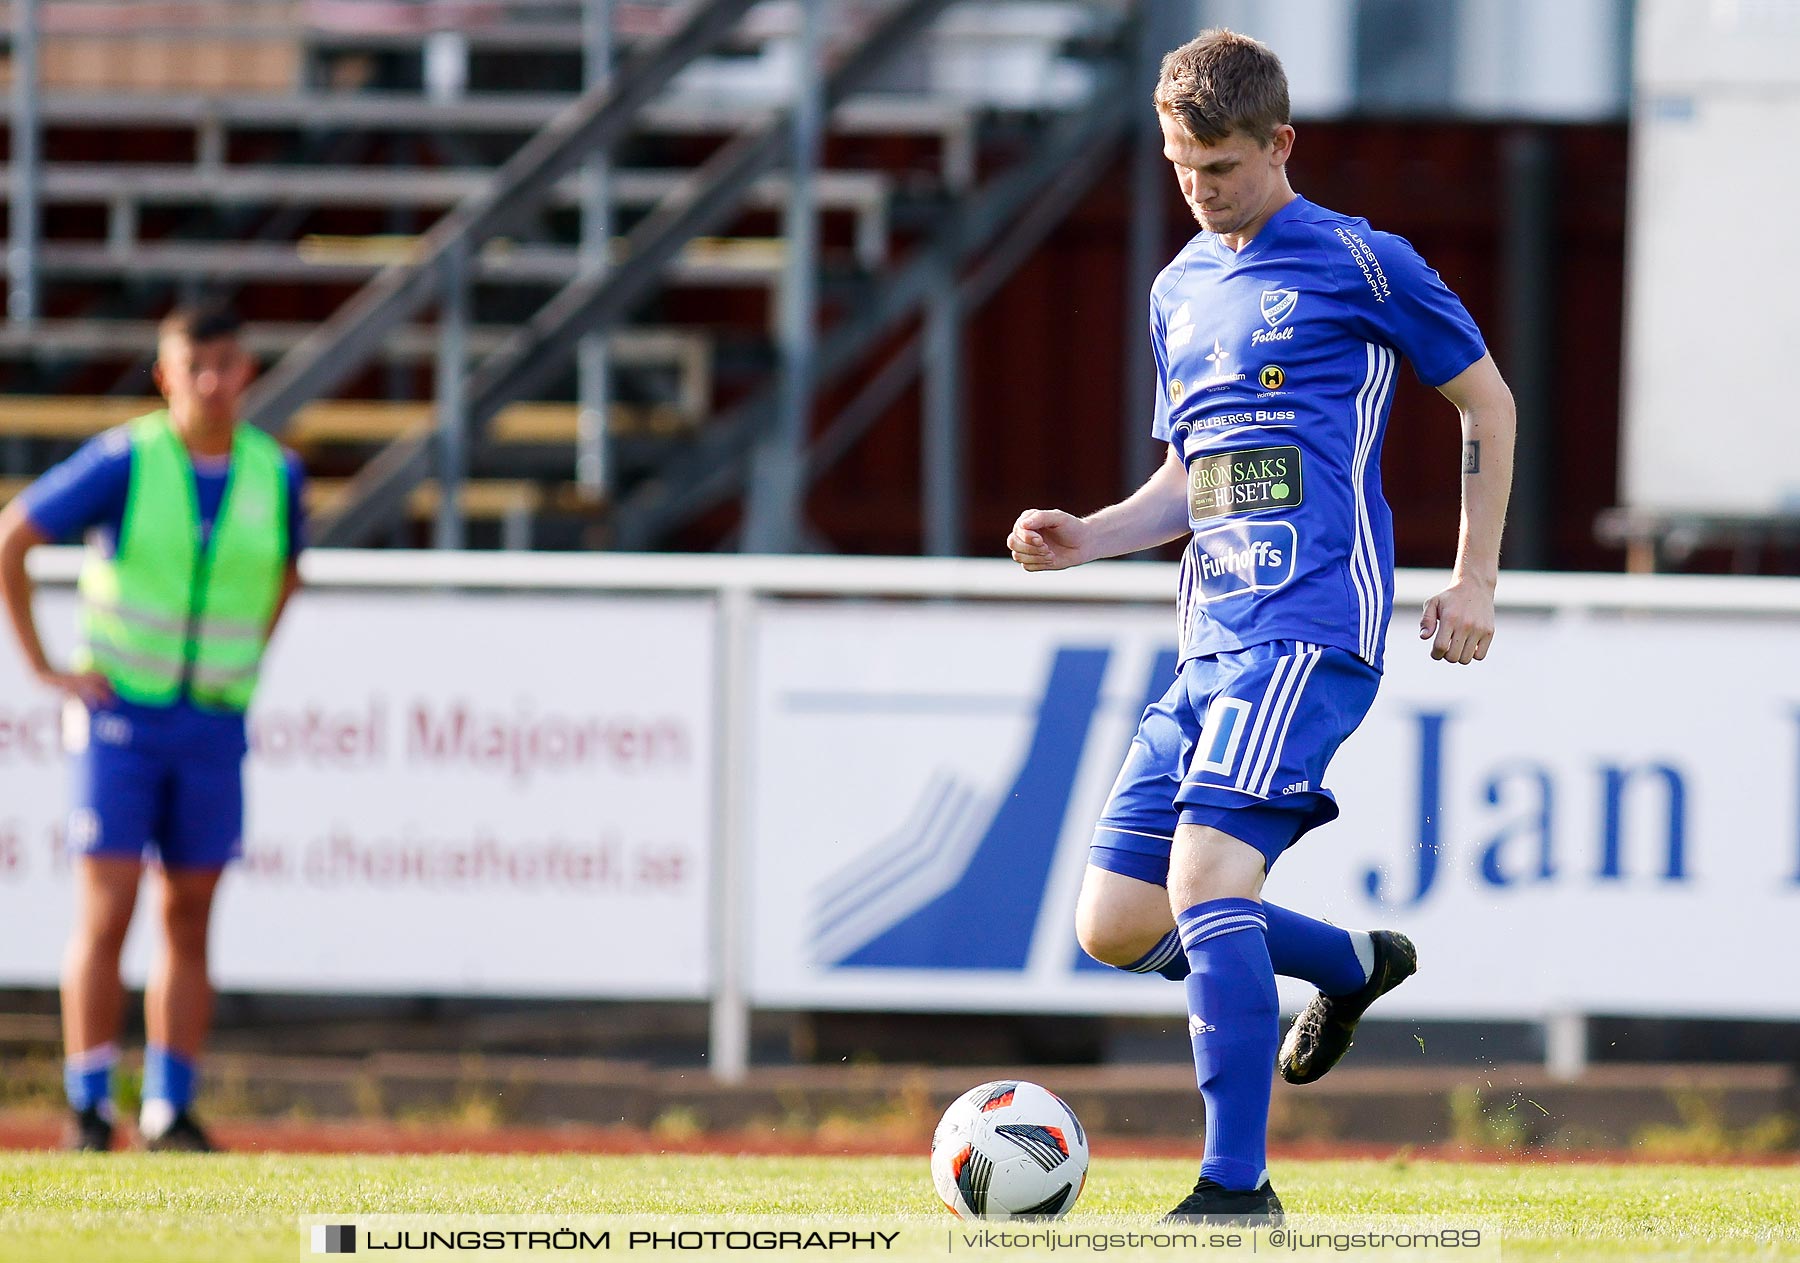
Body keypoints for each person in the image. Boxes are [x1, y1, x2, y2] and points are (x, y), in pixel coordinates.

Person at [1007, 30, 1514, 1222]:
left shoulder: (1359, 261)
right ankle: (1347, 964)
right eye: (1181, 165)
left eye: (1221, 166)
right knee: (1116, 925)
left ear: (1279, 144)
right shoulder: (1177, 288)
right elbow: (1198, 476)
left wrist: (1473, 580)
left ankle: (1237, 1192)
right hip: (1209, 642)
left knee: (1204, 882)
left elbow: (1482, 397)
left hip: (1309, 628)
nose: (1199, 187)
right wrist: (1089, 534)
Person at [0, 304, 305, 1152]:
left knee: (193, 910)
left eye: (226, 364)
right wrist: (46, 667)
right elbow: (12, 537)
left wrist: (240, 668)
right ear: (166, 375)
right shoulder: (127, 460)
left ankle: (170, 1104)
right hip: (122, 717)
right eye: (193, 366)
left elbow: (286, 573)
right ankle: (90, 1103)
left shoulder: (273, 472)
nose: (211, 382)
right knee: (108, 906)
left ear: (247, 371)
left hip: (209, 721)